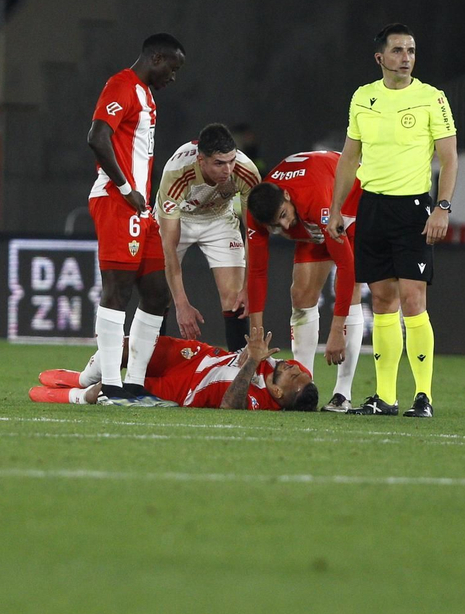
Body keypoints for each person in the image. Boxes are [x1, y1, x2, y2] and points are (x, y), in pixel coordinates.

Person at [327, 23, 457, 417]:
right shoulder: (363, 98)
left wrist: (443, 206)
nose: (406, 58)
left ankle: (424, 396)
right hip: (372, 208)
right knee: (382, 301)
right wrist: (336, 209)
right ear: (380, 58)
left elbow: (448, 157)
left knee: (414, 299)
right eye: (398, 51)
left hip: (414, 209)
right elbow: (350, 157)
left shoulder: (432, 99)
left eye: (412, 51)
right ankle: (385, 397)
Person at [86, 32, 185, 407]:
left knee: (158, 295)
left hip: (140, 208)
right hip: (116, 200)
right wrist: (126, 187)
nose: (173, 77)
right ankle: (111, 387)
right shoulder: (121, 85)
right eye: (172, 68)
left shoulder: (146, 95)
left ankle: (133, 385)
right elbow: (97, 137)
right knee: (118, 289)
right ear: (156, 58)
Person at [245, 154, 364, 412]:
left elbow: (346, 267)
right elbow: (256, 271)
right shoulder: (258, 211)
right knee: (300, 294)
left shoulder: (313, 198)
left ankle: (342, 393)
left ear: (287, 196)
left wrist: (336, 330)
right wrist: (255, 337)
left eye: (284, 216)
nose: (286, 226)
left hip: (350, 201)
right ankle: (302, 385)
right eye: (276, 225)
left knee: (350, 290)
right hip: (312, 215)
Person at [156, 122, 261, 351]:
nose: (228, 170)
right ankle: (149, 368)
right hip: (180, 218)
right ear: (201, 160)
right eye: (219, 163)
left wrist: (248, 286)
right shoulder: (176, 173)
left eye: (232, 160)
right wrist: (181, 304)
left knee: (235, 299)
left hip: (219, 218)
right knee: (158, 294)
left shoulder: (247, 172)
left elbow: (253, 233)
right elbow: (168, 247)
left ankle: (237, 373)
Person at [29, 329, 318, 412]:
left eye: (293, 375)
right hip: (195, 356)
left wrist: (252, 362)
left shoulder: (263, 402)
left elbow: (230, 404)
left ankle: (76, 395)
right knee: (125, 347)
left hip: (184, 390)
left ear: (279, 392)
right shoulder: (292, 374)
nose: (292, 366)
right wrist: (248, 356)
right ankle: (79, 378)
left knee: (111, 390)